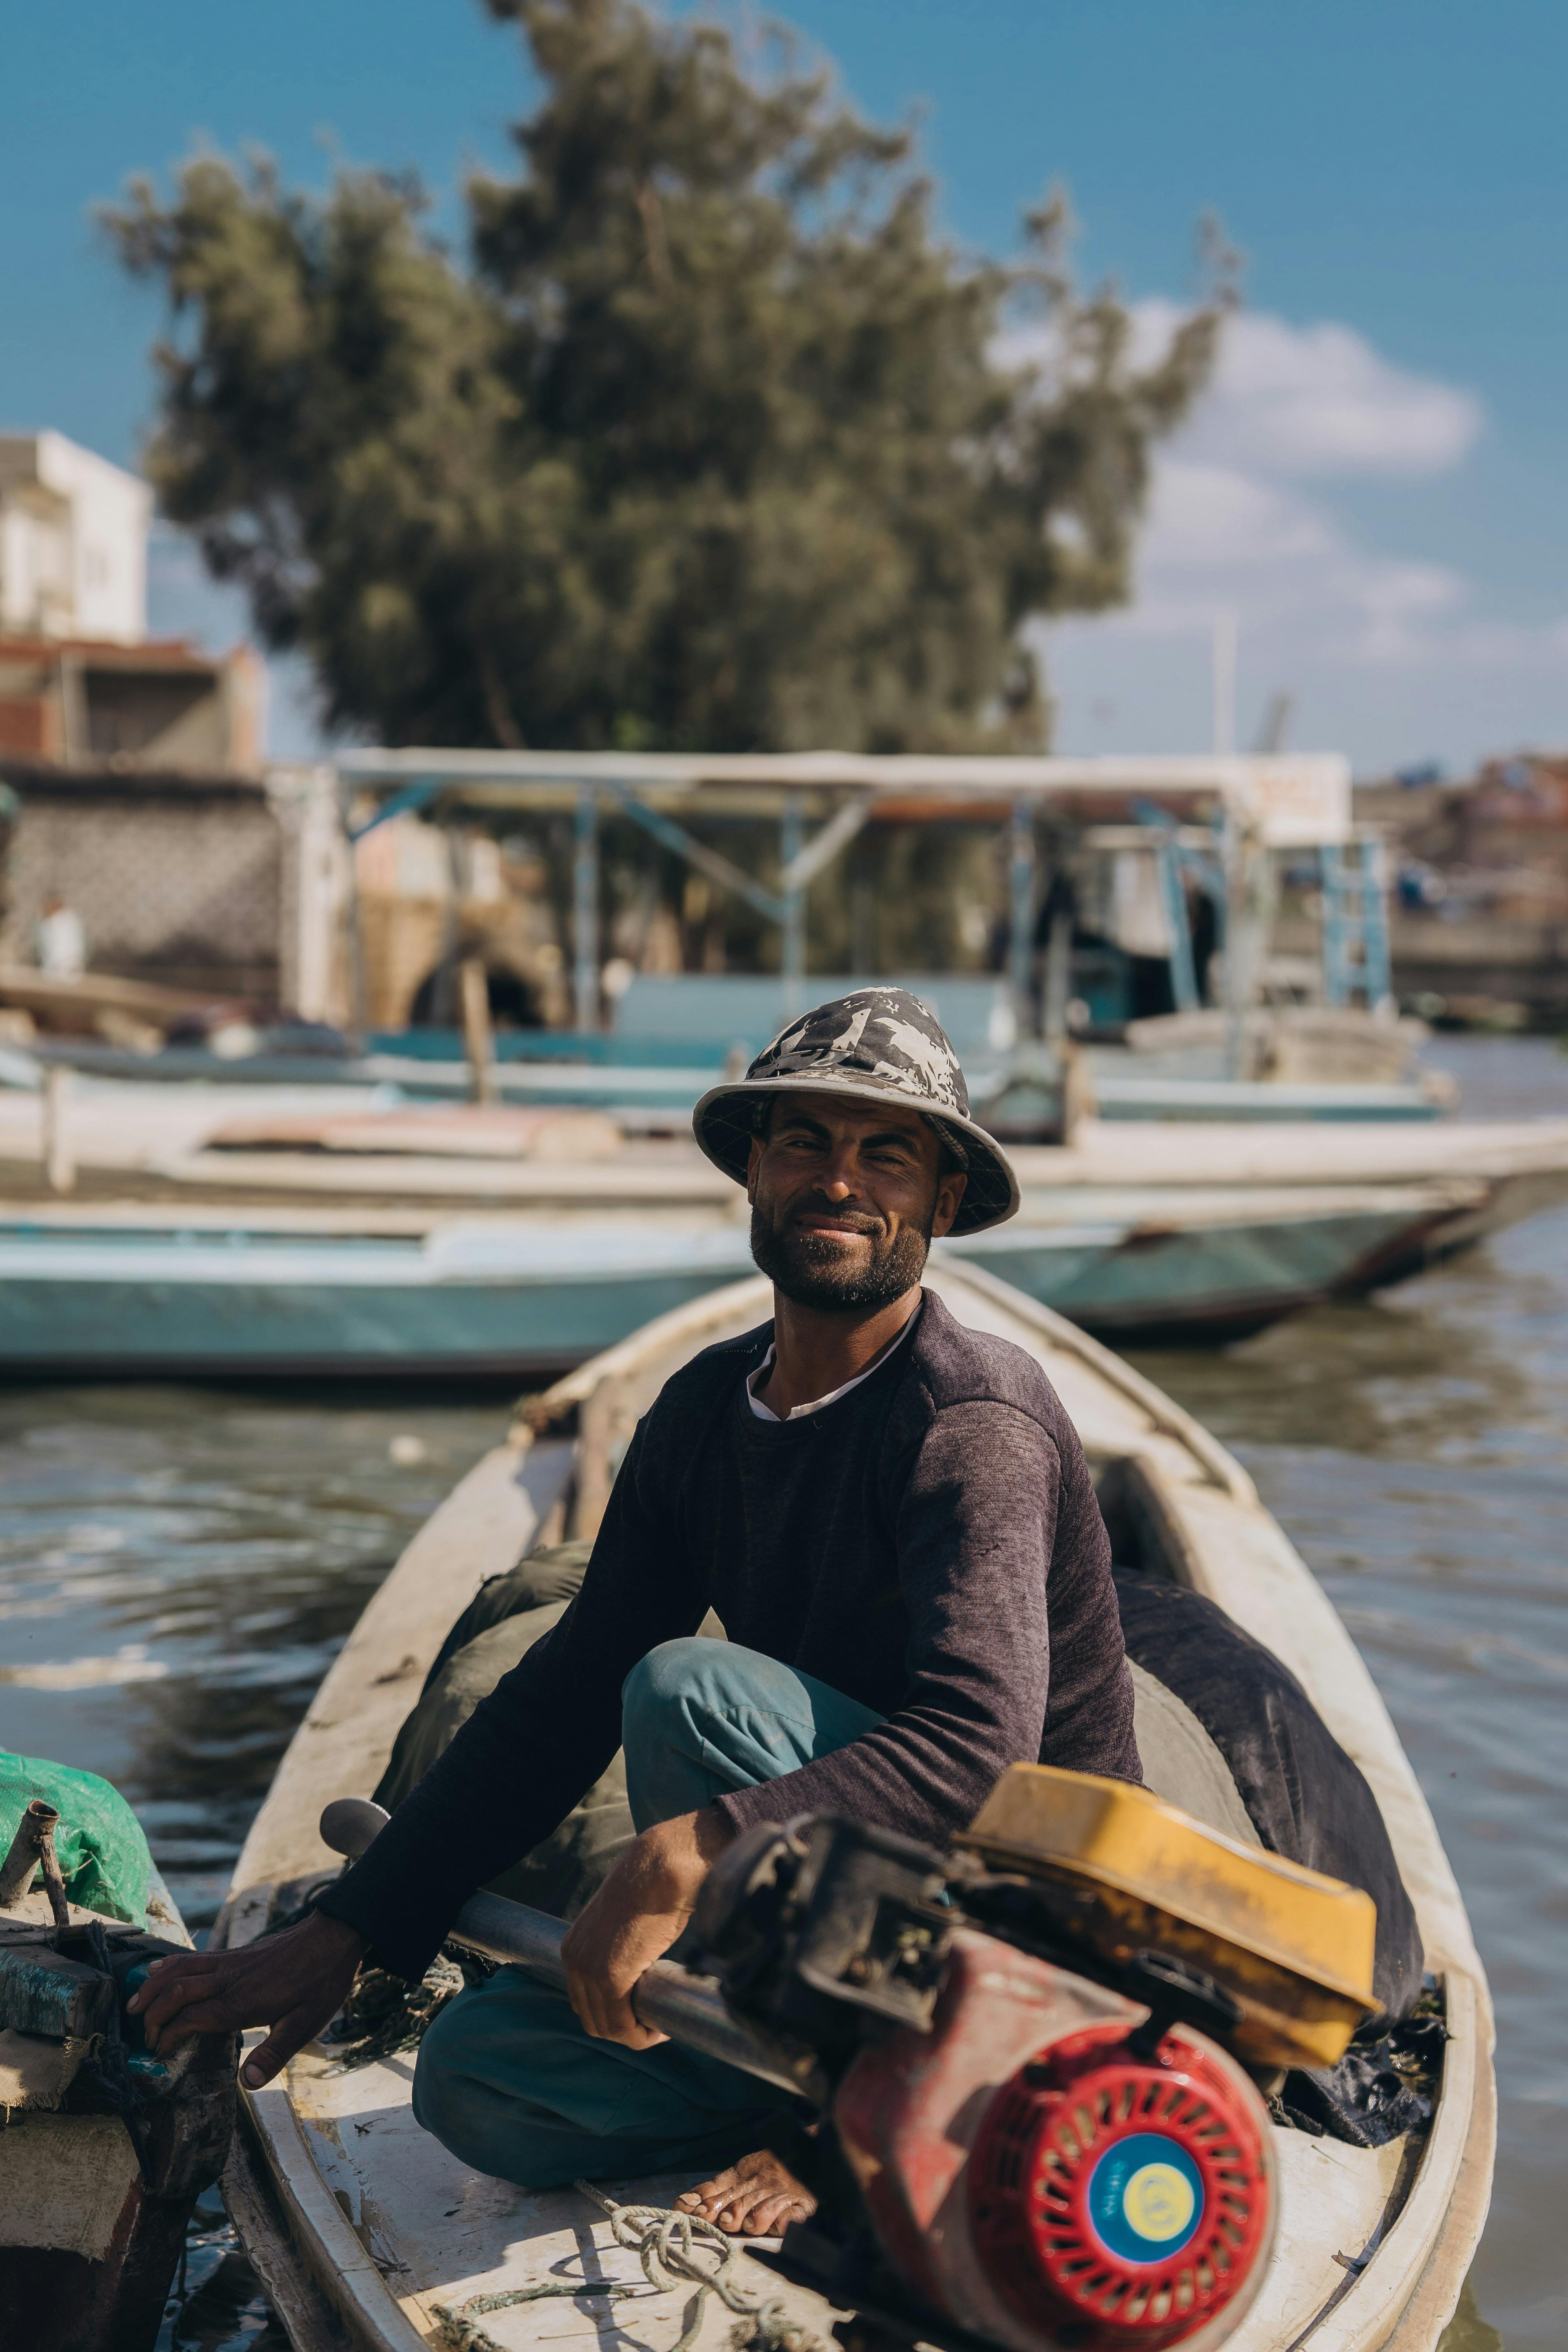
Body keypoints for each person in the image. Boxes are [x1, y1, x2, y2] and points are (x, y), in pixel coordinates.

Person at [130, 988, 1140, 2234]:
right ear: (752, 1174)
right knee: (473, 2079)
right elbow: (562, 1693)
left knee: (688, 1691)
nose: (838, 1179)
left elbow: (980, 1749)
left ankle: (890, 2110)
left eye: (885, 1152)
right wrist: (352, 1921)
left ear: (939, 1203)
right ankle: (796, 2083)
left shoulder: (968, 1420)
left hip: (1009, 1935)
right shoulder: (704, 1409)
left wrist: (689, 1846)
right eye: (803, 1143)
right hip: (820, 1922)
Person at [33, 891, 86, 977]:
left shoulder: (72, 920)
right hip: (51, 968)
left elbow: (78, 946)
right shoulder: (44, 924)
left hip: (71, 968)